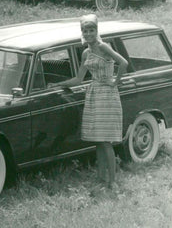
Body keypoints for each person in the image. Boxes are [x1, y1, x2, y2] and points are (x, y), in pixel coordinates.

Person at [52, 14, 128, 188]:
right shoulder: (86, 52)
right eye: (85, 31)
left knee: (106, 140)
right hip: (94, 94)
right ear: (82, 33)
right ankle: (101, 178)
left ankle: (112, 181)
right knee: (98, 139)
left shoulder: (103, 47)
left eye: (91, 30)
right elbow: (79, 79)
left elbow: (123, 63)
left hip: (107, 94)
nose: (88, 34)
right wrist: (58, 84)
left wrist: (115, 81)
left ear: (97, 30)